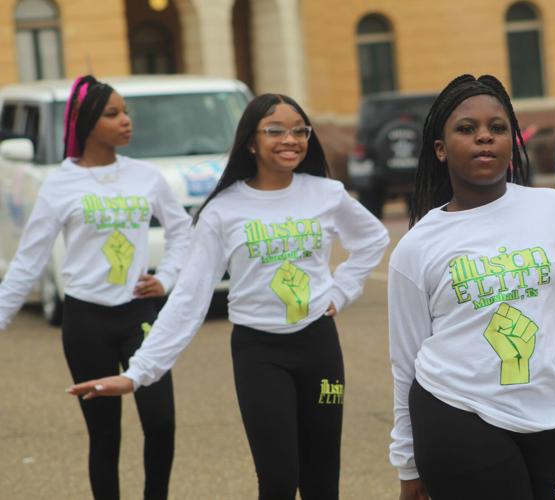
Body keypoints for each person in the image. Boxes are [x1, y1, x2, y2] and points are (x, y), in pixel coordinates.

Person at [68, 93, 390, 500]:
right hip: (260, 352)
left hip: (318, 345)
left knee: (322, 481)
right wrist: (138, 373)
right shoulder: (224, 209)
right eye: (275, 130)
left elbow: (373, 239)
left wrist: (341, 291)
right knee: (277, 480)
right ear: (251, 142)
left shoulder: (326, 193)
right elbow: (189, 297)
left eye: (299, 131)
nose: (290, 139)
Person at [388, 74, 555, 500]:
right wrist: (407, 462)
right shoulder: (418, 246)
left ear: (513, 140)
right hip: (457, 413)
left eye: (497, 128)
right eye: (466, 129)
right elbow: (405, 361)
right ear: (440, 149)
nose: (484, 138)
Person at [0, 75, 192, 499]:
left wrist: (166, 279)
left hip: (140, 314)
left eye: (125, 112)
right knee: (105, 436)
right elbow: (28, 260)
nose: (126, 121)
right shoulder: (60, 184)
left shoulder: (146, 177)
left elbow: (183, 231)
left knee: (161, 424)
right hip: (86, 320)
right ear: (86, 122)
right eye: (113, 114)